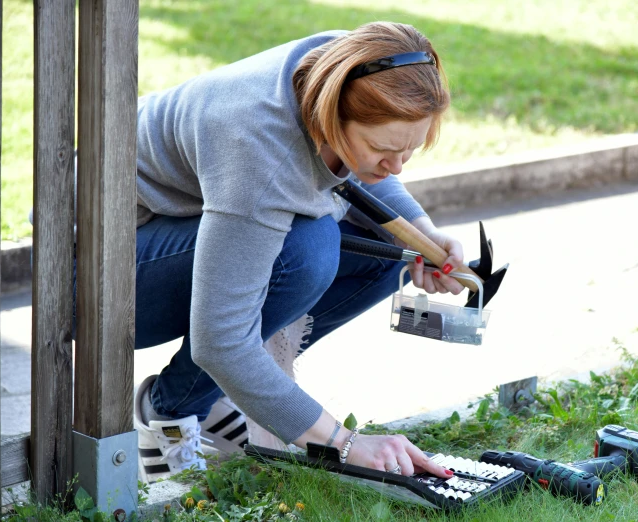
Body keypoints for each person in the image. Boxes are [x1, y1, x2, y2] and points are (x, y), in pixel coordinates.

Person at [131, 21, 466, 483]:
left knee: (387, 254)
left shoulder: (350, 66)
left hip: (178, 223)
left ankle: (215, 396)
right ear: (333, 117)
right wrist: (344, 444)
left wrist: (421, 234)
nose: (396, 164)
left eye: (408, 150)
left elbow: (369, 166)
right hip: (100, 270)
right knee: (305, 250)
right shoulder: (259, 151)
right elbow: (220, 341)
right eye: (383, 149)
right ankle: (169, 409)